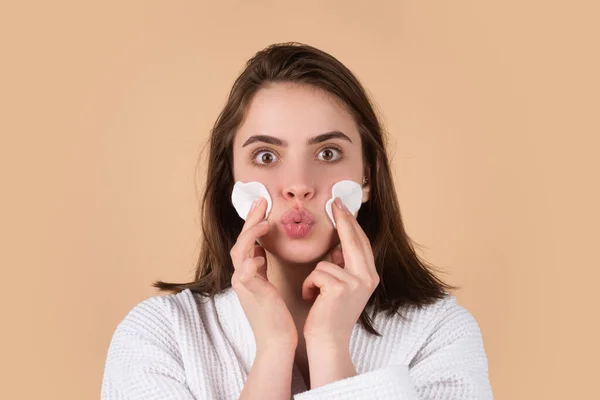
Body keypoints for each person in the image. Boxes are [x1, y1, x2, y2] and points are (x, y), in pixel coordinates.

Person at [101, 42, 493, 399]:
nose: (299, 186)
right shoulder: (159, 335)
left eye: (327, 153)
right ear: (231, 181)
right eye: (267, 157)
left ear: (367, 177)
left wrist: (329, 344)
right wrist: (273, 349)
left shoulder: (440, 334)